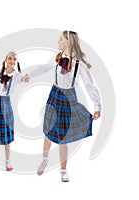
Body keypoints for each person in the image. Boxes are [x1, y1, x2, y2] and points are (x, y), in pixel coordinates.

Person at [29, 31, 101, 182]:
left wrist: (97, 106)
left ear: (68, 42)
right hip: (54, 95)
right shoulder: (57, 56)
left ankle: (63, 170)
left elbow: (89, 85)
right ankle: (45, 158)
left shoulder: (78, 63)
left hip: (68, 98)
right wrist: (31, 74)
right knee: (48, 130)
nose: (58, 41)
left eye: (60, 39)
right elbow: (45, 67)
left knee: (64, 137)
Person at [0, 52, 29, 171]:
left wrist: (26, 78)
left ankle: (7, 162)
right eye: (10, 58)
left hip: (5, 103)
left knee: (7, 131)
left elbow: (23, 79)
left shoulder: (16, 75)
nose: (12, 61)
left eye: (14, 59)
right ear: (5, 60)